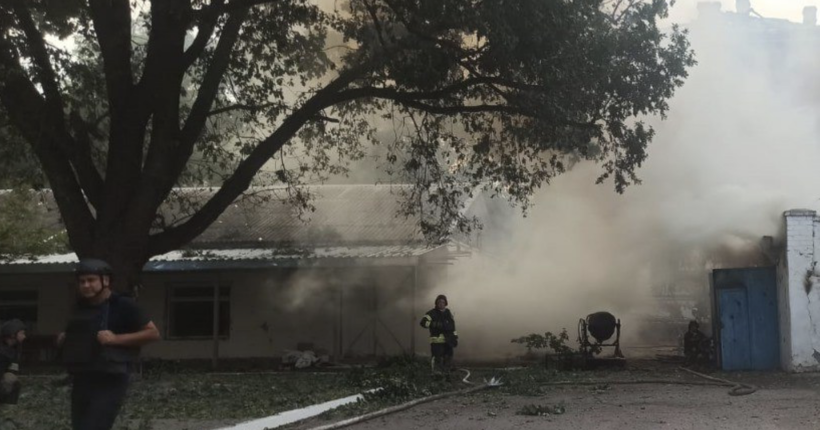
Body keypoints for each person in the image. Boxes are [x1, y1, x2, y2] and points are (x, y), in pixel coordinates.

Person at [58, 259, 161, 430]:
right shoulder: (80, 307)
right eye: (82, 281)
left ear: (105, 280)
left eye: (91, 280)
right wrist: (64, 338)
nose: (85, 285)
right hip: (83, 376)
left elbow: (153, 333)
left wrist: (115, 339)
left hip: (111, 377)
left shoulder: (123, 304)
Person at [419, 294, 458, 377]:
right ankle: (436, 375)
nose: (441, 304)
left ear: (446, 303)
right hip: (437, 341)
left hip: (448, 340)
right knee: (437, 358)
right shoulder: (431, 313)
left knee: (448, 357)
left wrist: (455, 337)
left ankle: (447, 374)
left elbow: (452, 326)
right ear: (436, 303)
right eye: (439, 302)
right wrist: (435, 324)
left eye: (443, 302)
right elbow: (423, 323)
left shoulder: (448, 313)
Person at [0, 319, 26, 405]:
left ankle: (9, 407)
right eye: (22, 333)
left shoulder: (14, 348)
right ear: (12, 335)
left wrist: (12, 372)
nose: (24, 336)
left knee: (14, 382)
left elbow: (14, 366)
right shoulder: (2, 352)